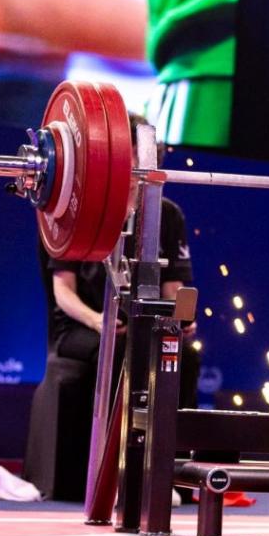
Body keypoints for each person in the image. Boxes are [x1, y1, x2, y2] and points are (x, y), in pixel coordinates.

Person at [40, 113, 200, 410]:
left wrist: (178, 320)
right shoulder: (76, 208)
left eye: (143, 164)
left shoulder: (169, 215)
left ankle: (172, 449)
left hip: (142, 326)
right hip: (82, 327)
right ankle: (113, 451)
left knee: (185, 356)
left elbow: (173, 289)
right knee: (120, 350)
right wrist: (98, 321)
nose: (134, 174)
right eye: (129, 162)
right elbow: (63, 292)